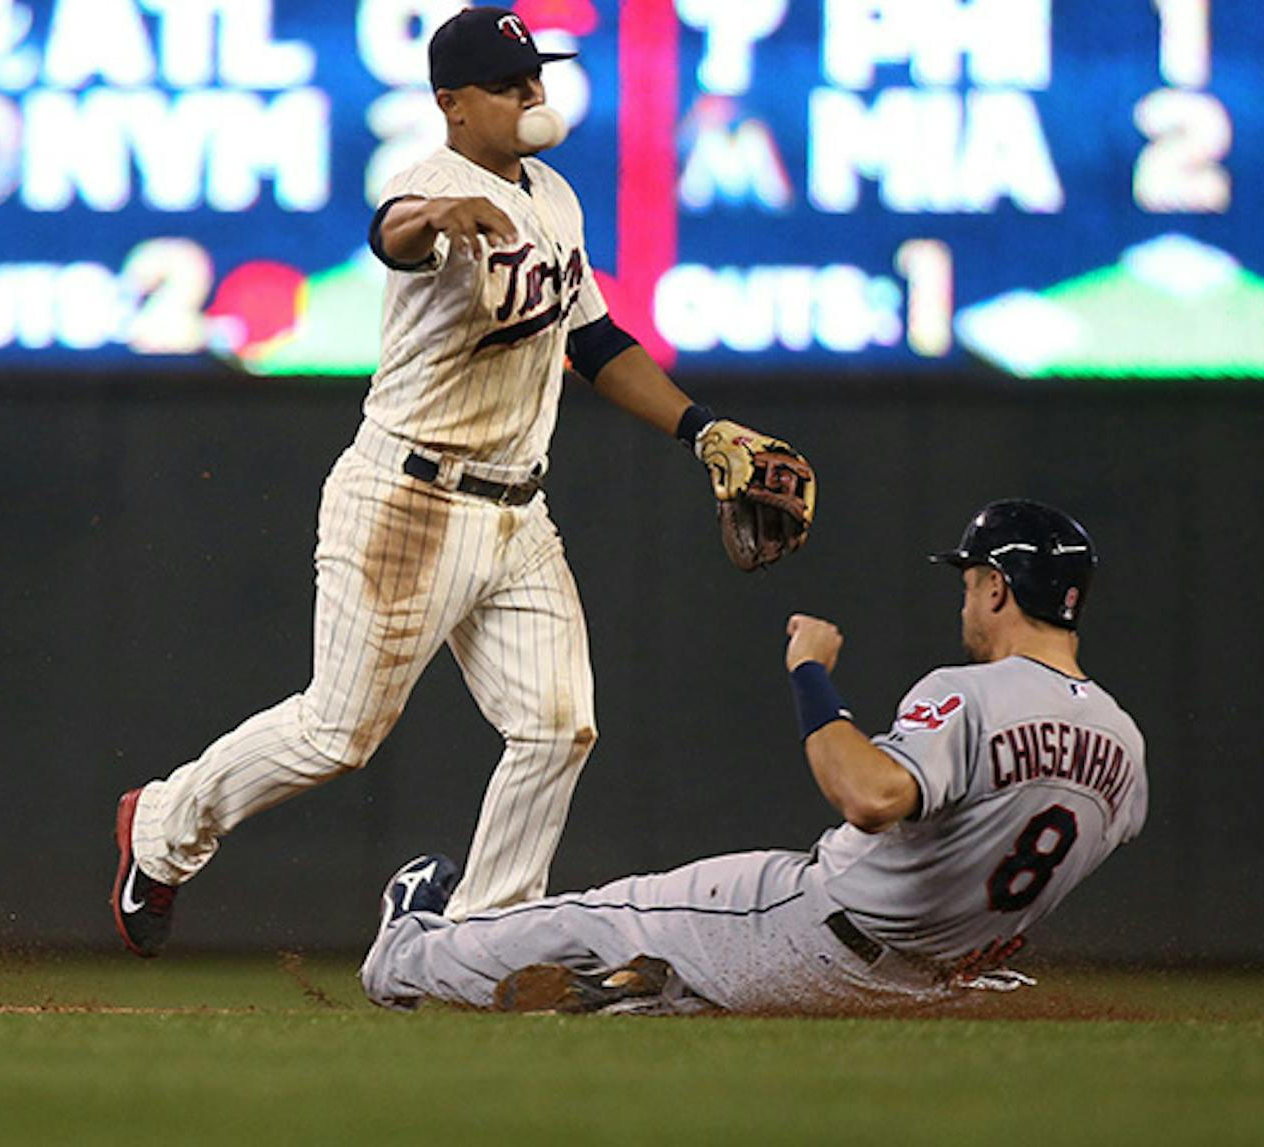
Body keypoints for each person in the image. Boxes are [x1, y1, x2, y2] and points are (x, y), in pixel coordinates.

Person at [110, 6, 814, 956]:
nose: (531, 94)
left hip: (518, 512)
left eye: (534, 77)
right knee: (336, 734)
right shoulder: (432, 186)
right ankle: (162, 825)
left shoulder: (553, 196)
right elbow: (393, 233)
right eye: (506, 83)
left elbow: (595, 342)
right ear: (451, 103)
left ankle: (480, 940)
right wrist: (437, 216)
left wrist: (703, 429)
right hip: (409, 500)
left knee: (559, 728)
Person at [361, 500, 1147, 1015]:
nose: (967, 599)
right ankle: (642, 993)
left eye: (972, 582)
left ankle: (405, 955)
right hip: (932, 983)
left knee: (600, 915)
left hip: (822, 929)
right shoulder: (1125, 747)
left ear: (999, 588)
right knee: (690, 956)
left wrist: (811, 673)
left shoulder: (969, 693)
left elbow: (870, 795)